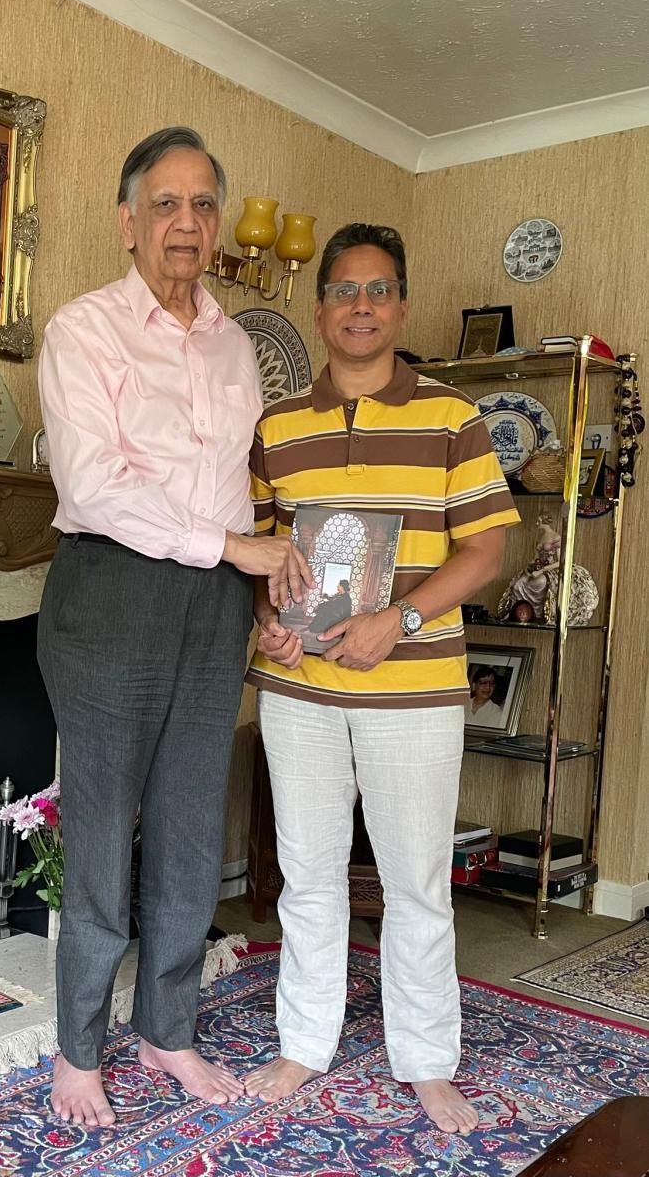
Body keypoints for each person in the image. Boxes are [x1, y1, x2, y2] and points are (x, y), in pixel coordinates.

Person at [37, 126, 311, 1129]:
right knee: (102, 833)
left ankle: (167, 1031)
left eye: (201, 205)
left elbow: (238, 492)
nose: (184, 222)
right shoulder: (83, 330)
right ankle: (78, 1049)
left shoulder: (237, 345)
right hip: (110, 595)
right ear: (128, 221)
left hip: (212, 603)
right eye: (164, 204)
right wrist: (235, 550)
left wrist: (262, 592)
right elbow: (93, 486)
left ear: (217, 224)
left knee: (193, 829)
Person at [245, 223, 519, 1134]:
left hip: (414, 690)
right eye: (344, 291)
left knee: (415, 882)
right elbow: (262, 555)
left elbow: (487, 549)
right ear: (320, 308)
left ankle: (428, 1060)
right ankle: (303, 1042)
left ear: (400, 307)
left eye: (378, 291)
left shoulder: (451, 418)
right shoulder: (277, 427)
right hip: (300, 693)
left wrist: (396, 620)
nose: (360, 307)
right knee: (309, 876)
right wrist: (268, 622)